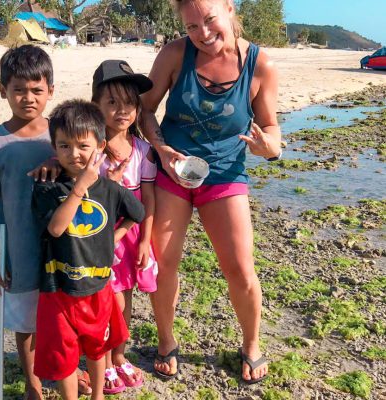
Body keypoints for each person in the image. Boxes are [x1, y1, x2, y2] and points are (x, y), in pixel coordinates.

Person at [140, 0, 281, 384]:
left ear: (230, 9)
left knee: (239, 267)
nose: (202, 33)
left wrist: (269, 147)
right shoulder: (173, 55)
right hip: (173, 171)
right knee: (163, 263)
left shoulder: (260, 65)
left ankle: (251, 344)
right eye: (191, 27)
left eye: (209, 20)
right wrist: (163, 150)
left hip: (225, 174)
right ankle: (166, 341)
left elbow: (271, 128)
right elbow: (145, 110)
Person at [0, 45, 90, 399]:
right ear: (2, 89)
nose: (28, 98)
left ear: (51, 90)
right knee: (25, 320)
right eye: (18, 89)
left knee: (68, 312)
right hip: (19, 247)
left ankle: (68, 367)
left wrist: (58, 154)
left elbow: (91, 158)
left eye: (37, 90)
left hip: (67, 245)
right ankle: (33, 381)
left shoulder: (63, 135)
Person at [32, 99, 146, 400]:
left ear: (100, 144)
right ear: (54, 147)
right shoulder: (48, 187)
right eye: (64, 146)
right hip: (58, 289)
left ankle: (98, 395)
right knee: (64, 356)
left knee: (98, 348)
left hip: (98, 287)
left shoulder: (109, 187)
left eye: (83, 146)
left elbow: (138, 212)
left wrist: (115, 236)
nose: (74, 154)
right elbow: (56, 228)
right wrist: (80, 187)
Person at [91, 60, 157, 394]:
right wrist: (109, 185)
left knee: (126, 298)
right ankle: (99, 361)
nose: (121, 111)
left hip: (132, 235)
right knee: (106, 301)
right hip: (100, 233)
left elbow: (148, 198)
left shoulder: (143, 150)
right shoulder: (92, 151)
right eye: (112, 103)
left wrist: (145, 240)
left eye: (129, 104)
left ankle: (119, 355)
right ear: (96, 105)